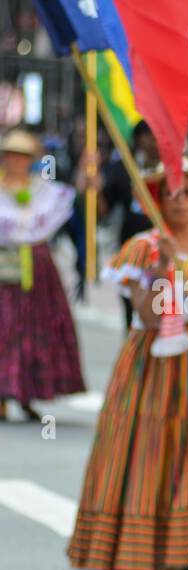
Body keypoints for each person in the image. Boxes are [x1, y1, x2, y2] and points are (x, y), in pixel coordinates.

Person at [67, 158, 188, 570]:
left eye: (187, 192)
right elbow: (149, 315)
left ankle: (182, 552)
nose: (178, 201)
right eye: (169, 193)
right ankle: (125, 552)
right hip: (150, 363)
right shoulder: (144, 248)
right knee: (142, 447)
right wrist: (162, 269)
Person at [0, 128, 85, 421]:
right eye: (11, 155)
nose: (16, 161)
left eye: (22, 156)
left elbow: (69, 216)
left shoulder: (44, 191)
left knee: (33, 330)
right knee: (5, 330)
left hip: (37, 270)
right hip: (4, 268)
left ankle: (27, 391)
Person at [100, 121, 160, 334]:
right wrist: (94, 187)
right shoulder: (124, 169)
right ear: (139, 139)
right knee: (133, 304)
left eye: (159, 135)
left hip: (166, 249)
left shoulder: (177, 169)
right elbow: (103, 208)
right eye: (149, 135)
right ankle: (135, 347)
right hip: (135, 250)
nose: (155, 141)